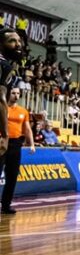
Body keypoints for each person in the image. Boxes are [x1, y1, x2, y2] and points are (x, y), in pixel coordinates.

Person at [1, 86, 36, 214]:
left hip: (16, 144)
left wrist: (31, 143)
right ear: (8, 94)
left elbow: (27, 129)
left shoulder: (23, 111)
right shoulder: (2, 108)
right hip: (2, 143)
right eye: (13, 93)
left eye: (18, 93)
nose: (16, 95)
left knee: (12, 176)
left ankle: (6, 205)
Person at [0, 29, 25, 158]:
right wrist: (5, 134)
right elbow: (0, 99)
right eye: (12, 41)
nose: (18, 44)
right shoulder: (3, 65)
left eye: (19, 41)